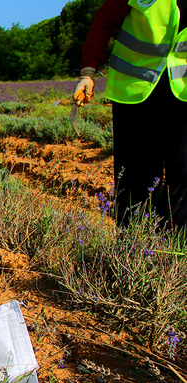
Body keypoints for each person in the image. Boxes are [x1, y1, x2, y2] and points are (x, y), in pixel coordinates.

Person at [73, 0, 187, 228]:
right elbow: (105, 20)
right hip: (134, 92)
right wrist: (88, 72)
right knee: (136, 177)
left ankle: (178, 252)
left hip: (182, 92)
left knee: (184, 175)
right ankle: (133, 250)